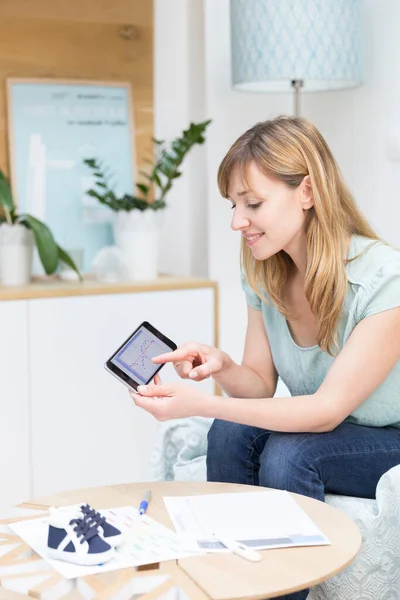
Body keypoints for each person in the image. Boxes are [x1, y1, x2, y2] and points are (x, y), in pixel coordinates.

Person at [130, 116, 400, 600]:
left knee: (291, 452)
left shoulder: (384, 279)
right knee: (231, 431)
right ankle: (233, 588)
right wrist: (224, 367)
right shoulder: (264, 269)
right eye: (234, 205)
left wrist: (199, 402)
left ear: (308, 192)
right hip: (333, 431)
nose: (238, 221)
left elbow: (322, 412)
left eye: (252, 204)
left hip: (391, 439)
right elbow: (258, 382)